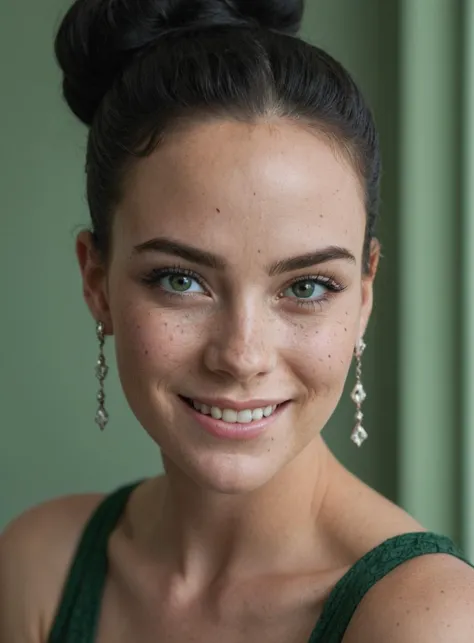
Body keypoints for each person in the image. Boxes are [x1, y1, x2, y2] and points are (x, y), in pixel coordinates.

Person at [2, 0, 474, 641]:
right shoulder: (40, 568)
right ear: (98, 282)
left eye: (307, 286)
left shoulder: (427, 619)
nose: (242, 354)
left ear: (363, 295)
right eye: (180, 280)